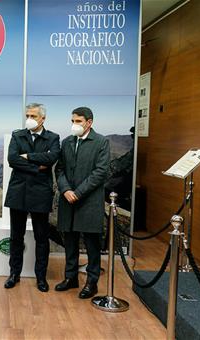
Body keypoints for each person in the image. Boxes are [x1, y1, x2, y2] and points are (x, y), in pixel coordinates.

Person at [3, 103, 60, 292]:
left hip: (40, 193)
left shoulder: (53, 137)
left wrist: (27, 156)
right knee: (15, 237)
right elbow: (12, 159)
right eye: (27, 115)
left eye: (33, 116)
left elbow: (52, 158)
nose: (29, 118)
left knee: (41, 238)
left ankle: (41, 277)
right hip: (19, 191)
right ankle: (14, 274)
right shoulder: (17, 134)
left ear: (43, 118)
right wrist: (37, 166)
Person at [55, 107, 110, 299]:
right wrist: (66, 190)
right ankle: (71, 278)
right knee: (69, 240)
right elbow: (60, 169)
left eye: (78, 121)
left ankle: (91, 282)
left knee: (91, 243)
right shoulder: (67, 142)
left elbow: (100, 172)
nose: (74, 124)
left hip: (89, 201)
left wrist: (77, 193)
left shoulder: (101, 142)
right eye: (73, 121)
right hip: (68, 199)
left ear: (89, 122)